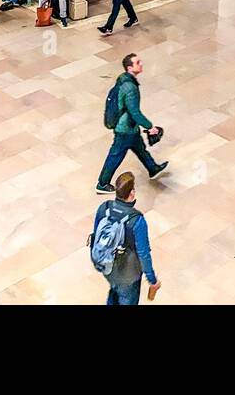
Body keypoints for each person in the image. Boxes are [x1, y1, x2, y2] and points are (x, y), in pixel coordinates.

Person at [96, 52, 167, 192]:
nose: (141, 64)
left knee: (140, 148)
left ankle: (152, 168)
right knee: (115, 155)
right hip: (125, 129)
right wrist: (149, 127)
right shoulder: (130, 88)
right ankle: (102, 183)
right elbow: (134, 112)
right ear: (129, 68)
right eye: (137, 63)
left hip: (130, 128)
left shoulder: (123, 80)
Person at [91, 171, 160, 306]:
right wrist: (152, 279)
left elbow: (95, 236)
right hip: (128, 275)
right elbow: (143, 254)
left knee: (114, 291)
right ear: (132, 193)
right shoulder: (136, 220)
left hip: (107, 267)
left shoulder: (104, 208)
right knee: (126, 297)